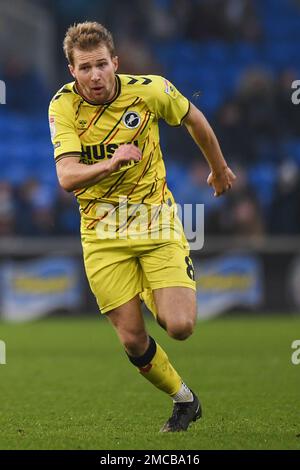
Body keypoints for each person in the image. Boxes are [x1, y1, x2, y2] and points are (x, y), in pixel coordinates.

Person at [48, 21, 236, 432]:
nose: (94, 75)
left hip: (155, 220)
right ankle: (184, 400)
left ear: (115, 62)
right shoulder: (62, 106)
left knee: (180, 326)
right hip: (101, 231)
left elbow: (195, 119)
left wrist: (218, 168)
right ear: (72, 71)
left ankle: (155, 287)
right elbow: (66, 177)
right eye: (84, 68)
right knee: (133, 339)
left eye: (101, 65)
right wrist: (111, 162)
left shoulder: (149, 90)